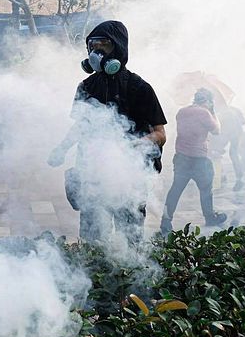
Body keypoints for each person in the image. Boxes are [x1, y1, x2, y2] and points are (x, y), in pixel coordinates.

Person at [48, 20, 167, 244]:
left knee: (129, 243)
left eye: (103, 45)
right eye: (92, 46)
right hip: (93, 179)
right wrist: (62, 148)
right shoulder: (86, 86)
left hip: (128, 181)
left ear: (119, 48)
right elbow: (81, 126)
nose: (96, 52)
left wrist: (130, 147)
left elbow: (160, 135)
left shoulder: (139, 88)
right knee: (93, 242)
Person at [163, 88, 226, 231]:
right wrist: (213, 112)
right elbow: (217, 131)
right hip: (198, 159)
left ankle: (166, 220)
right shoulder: (204, 113)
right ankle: (210, 217)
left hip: (181, 158)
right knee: (205, 190)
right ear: (208, 101)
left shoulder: (181, 112)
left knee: (175, 190)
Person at [211, 103, 245, 191]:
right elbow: (244, 121)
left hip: (225, 133)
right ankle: (239, 177)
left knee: (215, 153)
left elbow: (215, 126)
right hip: (237, 133)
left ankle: (220, 176)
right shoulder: (234, 109)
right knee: (233, 154)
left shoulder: (217, 112)